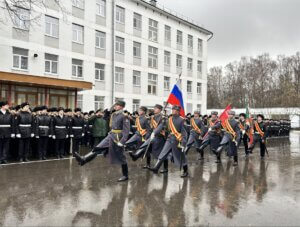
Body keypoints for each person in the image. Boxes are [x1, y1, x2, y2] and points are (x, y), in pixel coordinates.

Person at [74, 100, 130, 182]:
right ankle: (84, 159)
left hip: (118, 138)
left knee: (121, 157)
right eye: (115, 105)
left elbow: (126, 131)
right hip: (111, 135)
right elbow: (105, 118)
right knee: (98, 148)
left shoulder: (124, 116)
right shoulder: (114, 115)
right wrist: (107, 111)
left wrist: (122, 142)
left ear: (121, 107)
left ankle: (125, 175)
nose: (115, 106)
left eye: (117, 105)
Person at [149, 105, 189, 177]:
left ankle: (185, 171)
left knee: (180, 156)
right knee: (163, 153)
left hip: (178, 140)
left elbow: (184, 133)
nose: (173, 111)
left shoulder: (182, 120)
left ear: (178, 111)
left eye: (175, 110)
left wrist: (183, 143)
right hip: (169, 139)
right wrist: (155, 132)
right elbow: (164, 127)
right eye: (173, 110)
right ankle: (156, 168)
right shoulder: (169, 119)